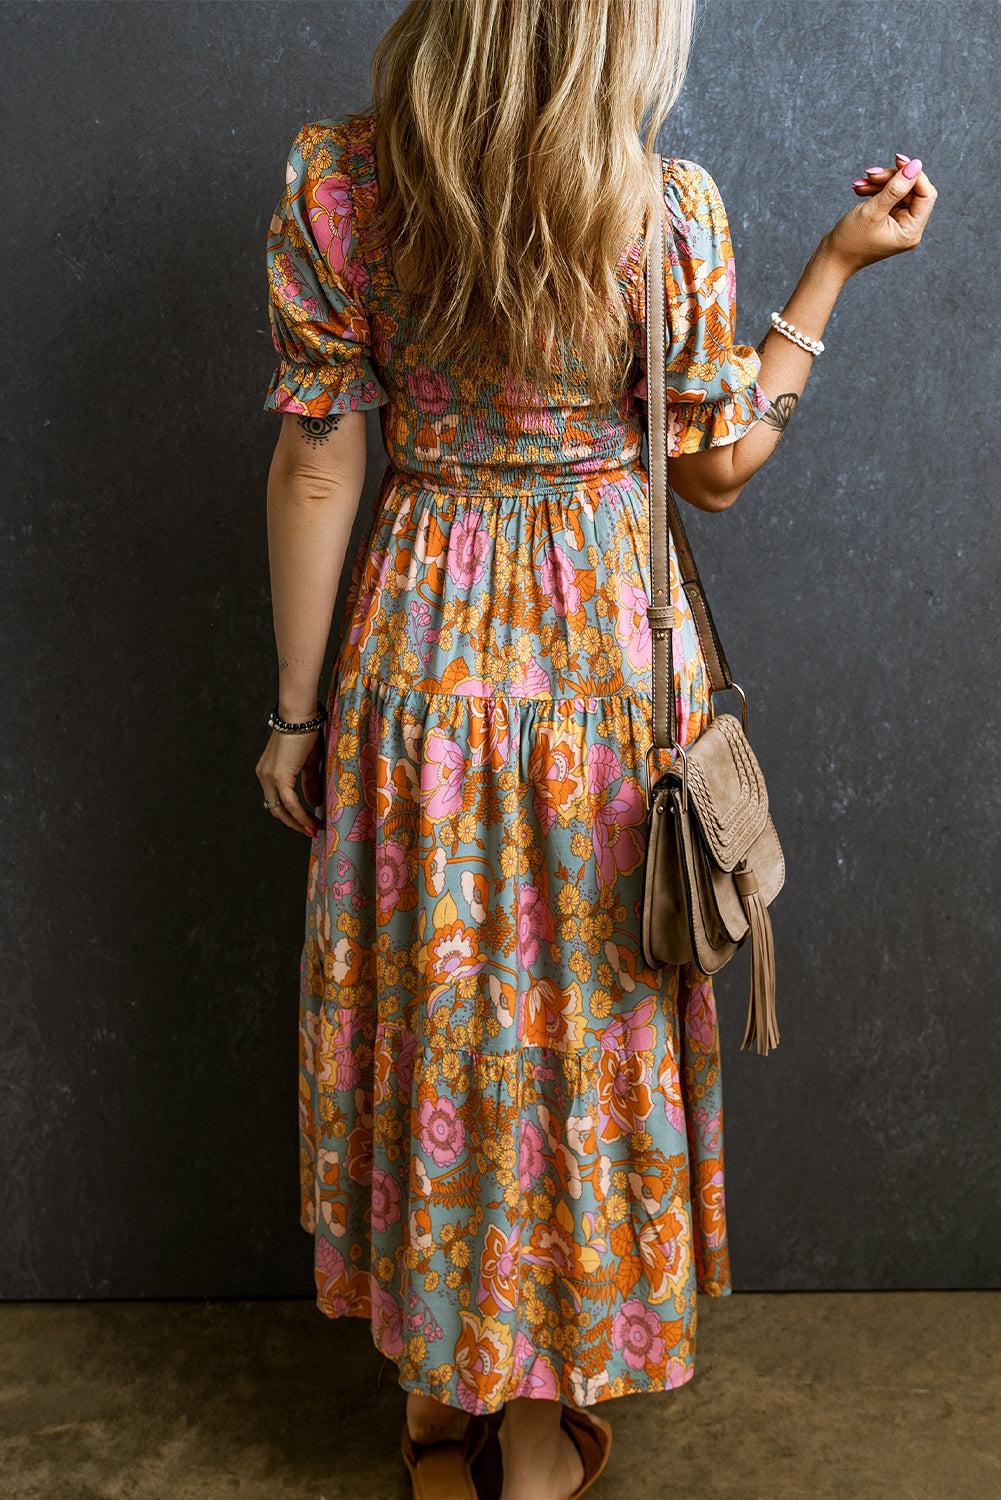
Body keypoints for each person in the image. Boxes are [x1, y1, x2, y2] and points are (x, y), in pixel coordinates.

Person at [255, 3, 937, 1496]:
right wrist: (832, 271)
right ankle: (528, 1432)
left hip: (418, 655)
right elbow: (716, 474)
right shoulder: (659, 211)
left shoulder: (340, 183)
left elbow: (319, 457)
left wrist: (298, 713)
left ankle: (442, 1395)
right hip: (602, 674)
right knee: (576, 1037)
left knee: (433, 1014)